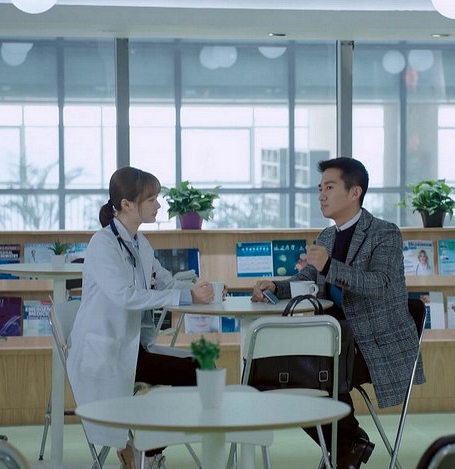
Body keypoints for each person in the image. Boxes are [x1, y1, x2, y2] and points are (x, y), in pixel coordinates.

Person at [251, 157, 424, 469]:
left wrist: (331, 266)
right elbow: (307, 280)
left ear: (355, 192)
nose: (321, 195)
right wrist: (275, 286)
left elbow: (380, 284)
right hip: (333, 342)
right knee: (270, 376)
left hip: (376, 345)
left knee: (313, 376)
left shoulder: (385, 233)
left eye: (329, 187)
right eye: (320, 188)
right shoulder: (327, 237)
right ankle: (350, 443)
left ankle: (346, 447)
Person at [66, 166, 215, 469]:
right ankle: (147, 449)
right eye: (151, 199)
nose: (158, 205)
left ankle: (147, 447)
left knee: (201, 367)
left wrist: (196, 290)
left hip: (133, 348)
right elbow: (125, 296)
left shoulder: (139, 242)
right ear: (126, 204)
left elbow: (165, 282)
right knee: (195, 372)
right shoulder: (102, 244)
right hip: (106, 353)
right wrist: (185, 297)